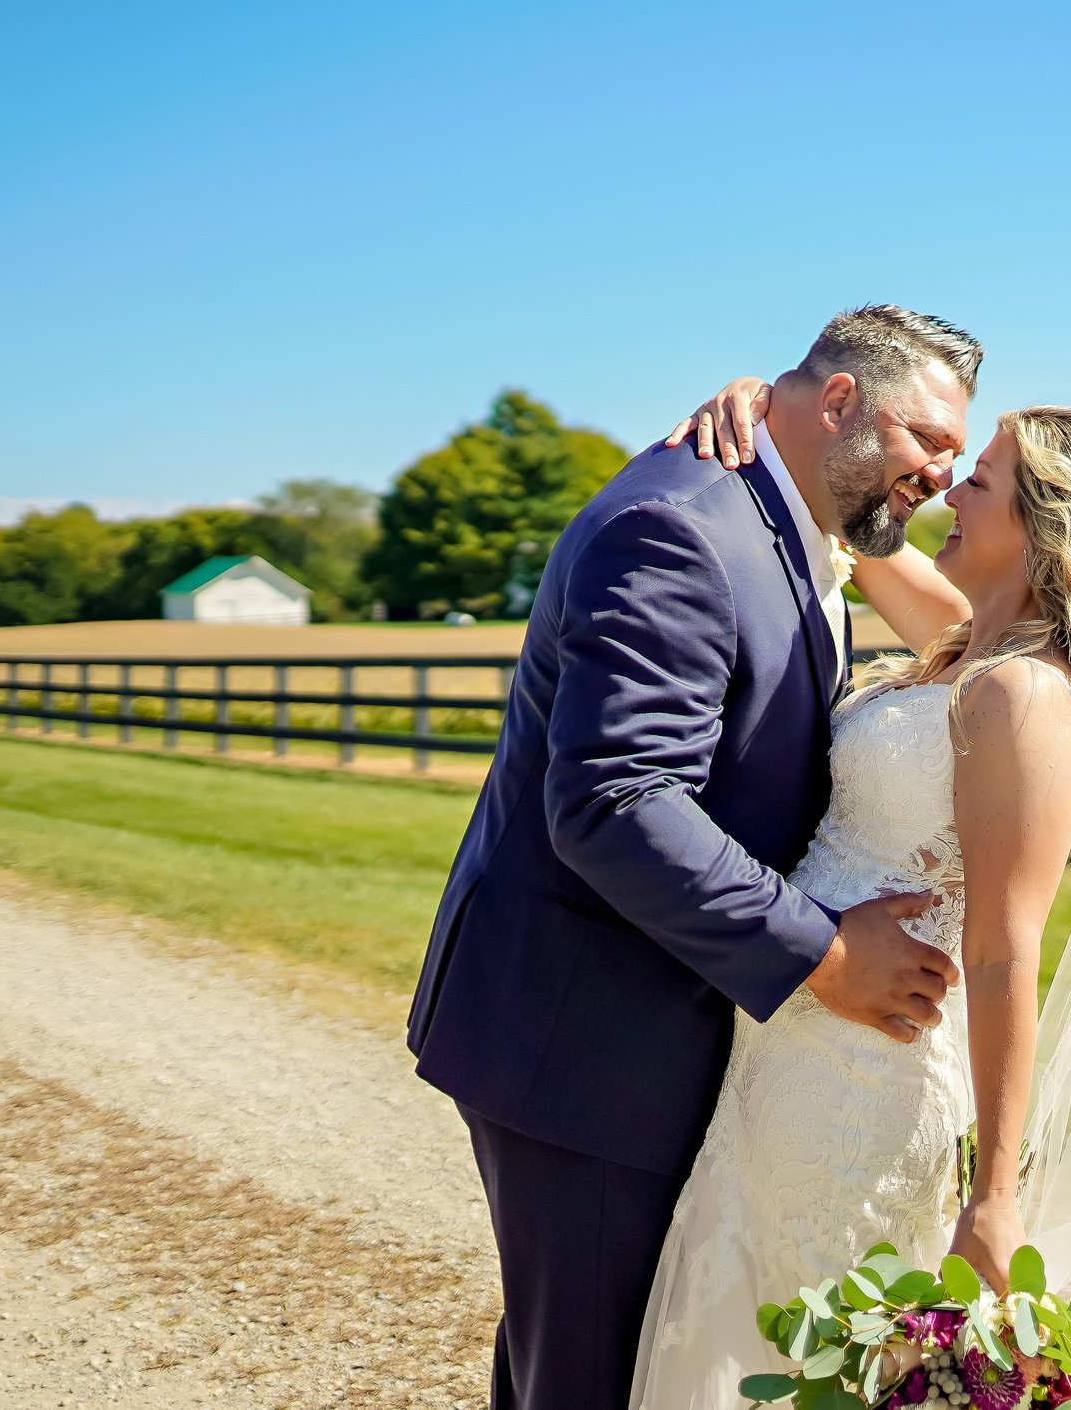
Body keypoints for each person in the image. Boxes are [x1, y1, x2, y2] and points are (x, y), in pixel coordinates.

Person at [629, 383, 1071, 1410]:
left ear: (1046, 527)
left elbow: (1003, 950)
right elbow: (838, 515)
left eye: (981, 481)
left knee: (805, 1348)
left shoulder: (1021, 694)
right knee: (752, 1329)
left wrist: (995, 1195)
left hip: (862, 1075)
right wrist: (764, 411)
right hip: (790, 1050)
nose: (948, 492)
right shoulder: (967, 646)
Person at [405, 306, 986, 1410]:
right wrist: (822, 951)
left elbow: (973, 641)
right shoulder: (678, 524)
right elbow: (617, 803)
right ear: (838, 402)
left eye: (962, 456)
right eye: (927, 439)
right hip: (588, 1036)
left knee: (594, 1359)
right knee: (589, 1370)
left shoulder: (795, 513)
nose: (942, 474)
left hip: (671, 1027)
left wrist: (770, 411)